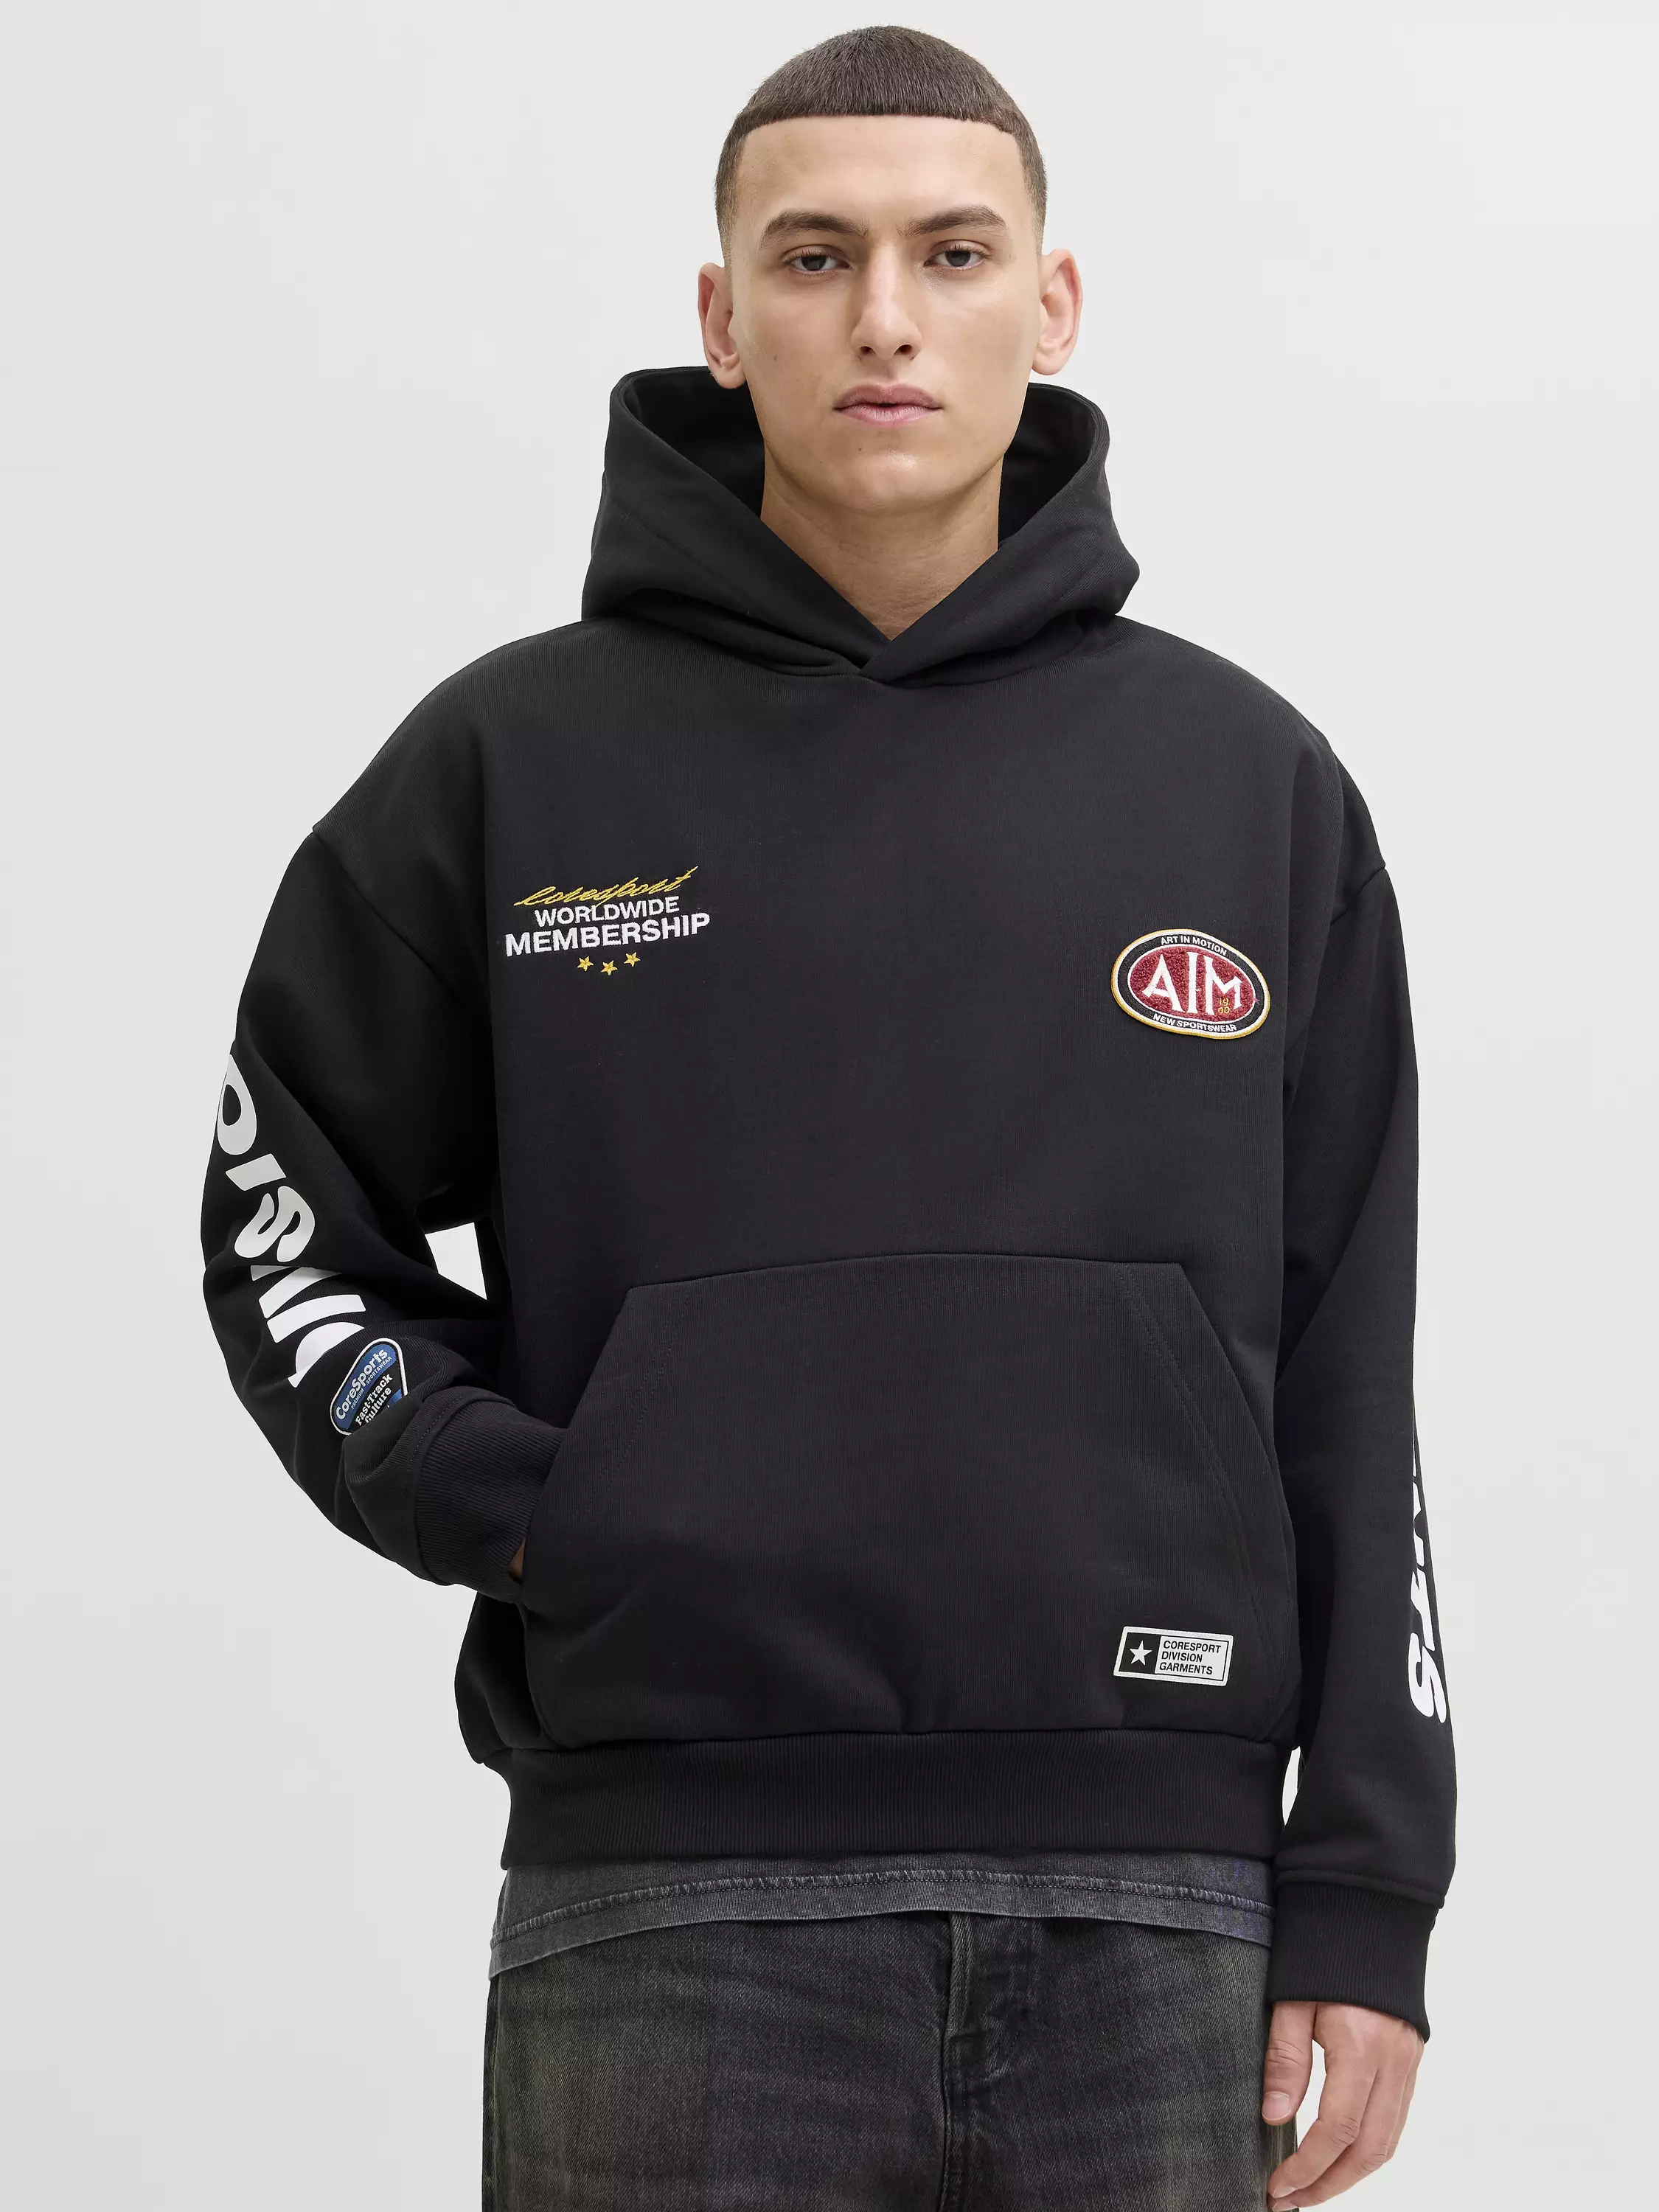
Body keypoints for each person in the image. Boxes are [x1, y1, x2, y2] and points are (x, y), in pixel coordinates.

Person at [201, 24, 1455, 2211]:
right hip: (665, 1917)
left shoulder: (1247, 789)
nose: (886, 315)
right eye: (815, 256)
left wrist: (1363, 1890)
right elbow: (283, 1216)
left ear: (1050, 304)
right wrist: (542, 1506)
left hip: (1156, 1926)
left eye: (952, 253)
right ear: (722, 315)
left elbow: (1353, 1364)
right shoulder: (514, 764)